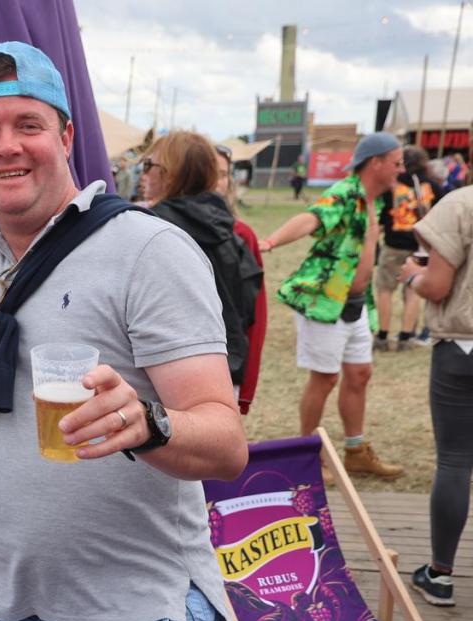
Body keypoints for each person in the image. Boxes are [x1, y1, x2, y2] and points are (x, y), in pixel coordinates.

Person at [0, 41, 247, 621]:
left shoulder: (148, 249)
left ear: (66, 136)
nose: (7, 146)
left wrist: (148, 422)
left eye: (28, 124)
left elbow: (227, 444)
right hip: (1, 620)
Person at [260, 132, 405, 480]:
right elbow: (312, 218)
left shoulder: (376, 201)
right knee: (324, 379)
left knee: (360, 374)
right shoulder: (344, 193)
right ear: (376, 163)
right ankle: (308, 456)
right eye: (397, 162)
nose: (401, 169)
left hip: (357, 304)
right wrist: (271, 241)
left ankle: (355, 452)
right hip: (326, 302)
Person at [144, 131, 264, 402]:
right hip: (224, 369)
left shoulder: (150, 229)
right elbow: (247, 308)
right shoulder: (231, 231)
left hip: (165, 376)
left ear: (171, 174)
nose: (144, 174)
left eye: (149, 165)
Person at [399, 186, 473, 607]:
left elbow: (438, 285)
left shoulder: (460, 204)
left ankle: (440, 574)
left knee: (455, 461)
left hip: (463, 346)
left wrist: (413, 274)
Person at [374, 145, 445, 352]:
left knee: (385, 290)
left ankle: (382, 335)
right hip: (421, 246)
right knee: (413, 291)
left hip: (394, 244)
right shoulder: (431, 186)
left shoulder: (392, 185)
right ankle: (406, 337)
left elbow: (382, 215)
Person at [215, 143, 267, 415]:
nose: (216, 181)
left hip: (225, 368)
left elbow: (255, 318)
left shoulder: (241, 236)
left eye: (223, 174)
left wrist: (245, 388)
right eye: (209, 172)